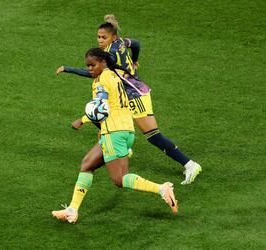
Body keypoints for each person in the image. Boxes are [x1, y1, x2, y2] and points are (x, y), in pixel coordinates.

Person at [55, 15, 201, 185]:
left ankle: (190, 165)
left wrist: (68, 69)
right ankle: (121, 149)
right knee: (104, 117)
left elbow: (92, 72)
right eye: (99, 37)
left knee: (153, 135)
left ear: (113, 37)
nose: (100, 40)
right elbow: (136, 43)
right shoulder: (121, 42)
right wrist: (135, 59)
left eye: (104, 37)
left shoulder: (109, 54)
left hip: (135, 94)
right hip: (124, 95)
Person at [52, 48, 178, 224]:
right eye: (87, 65)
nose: (89, 69)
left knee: (119, 179)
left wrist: (82, 120)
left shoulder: (100, 82)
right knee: (87, 164)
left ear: (102, 62)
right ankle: (72, 210)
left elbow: (102, 106)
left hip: (114, 132)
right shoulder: (114, 75)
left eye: (92, 65)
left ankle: (162, 189)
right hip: (126, 129)